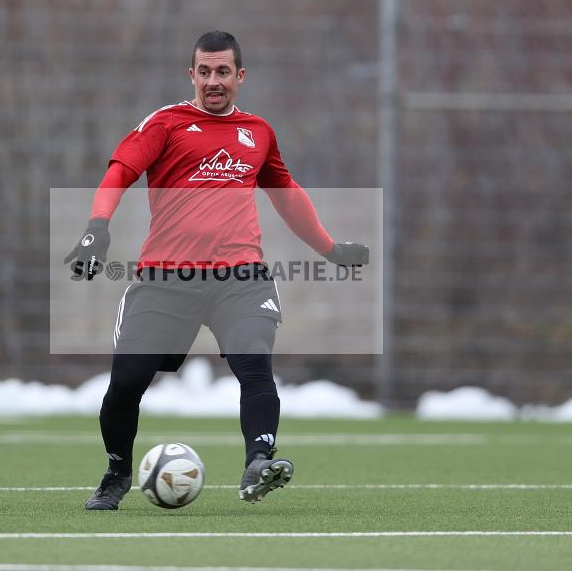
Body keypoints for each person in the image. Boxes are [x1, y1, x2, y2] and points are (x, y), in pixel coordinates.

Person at [65, 31, 369, 510]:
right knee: (126, 383)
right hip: (167, 279)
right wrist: (96, 228)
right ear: (191, 75)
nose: (213, 81)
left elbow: (286, 195)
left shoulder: (258, 132)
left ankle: (258, 463)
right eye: (204, 71)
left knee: (255, 364)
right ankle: (117, 473)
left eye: (222, 71)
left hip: (240, 277)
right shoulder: (166, 124)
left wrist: (330, 250)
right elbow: (119, 172)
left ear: (239, 76)